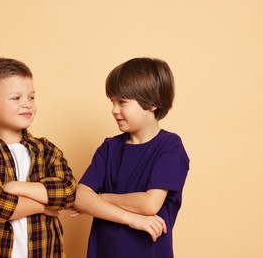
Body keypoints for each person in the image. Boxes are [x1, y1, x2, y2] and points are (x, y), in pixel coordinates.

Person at [72, 57, 190, 258]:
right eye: (112, 102)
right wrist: (130, 218)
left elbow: (149, 204)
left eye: (122, 102)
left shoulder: (170, 146)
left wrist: (101, 199)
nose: (114, 110)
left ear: (152, 103)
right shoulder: (109, 148)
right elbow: (80, 197)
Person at [0, 57, 76, 258]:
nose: (27, 104)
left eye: (31, 97)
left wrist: (15, 187)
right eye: (16, 98)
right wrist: (44, 206)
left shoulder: (47, 150)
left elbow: (68, 191)